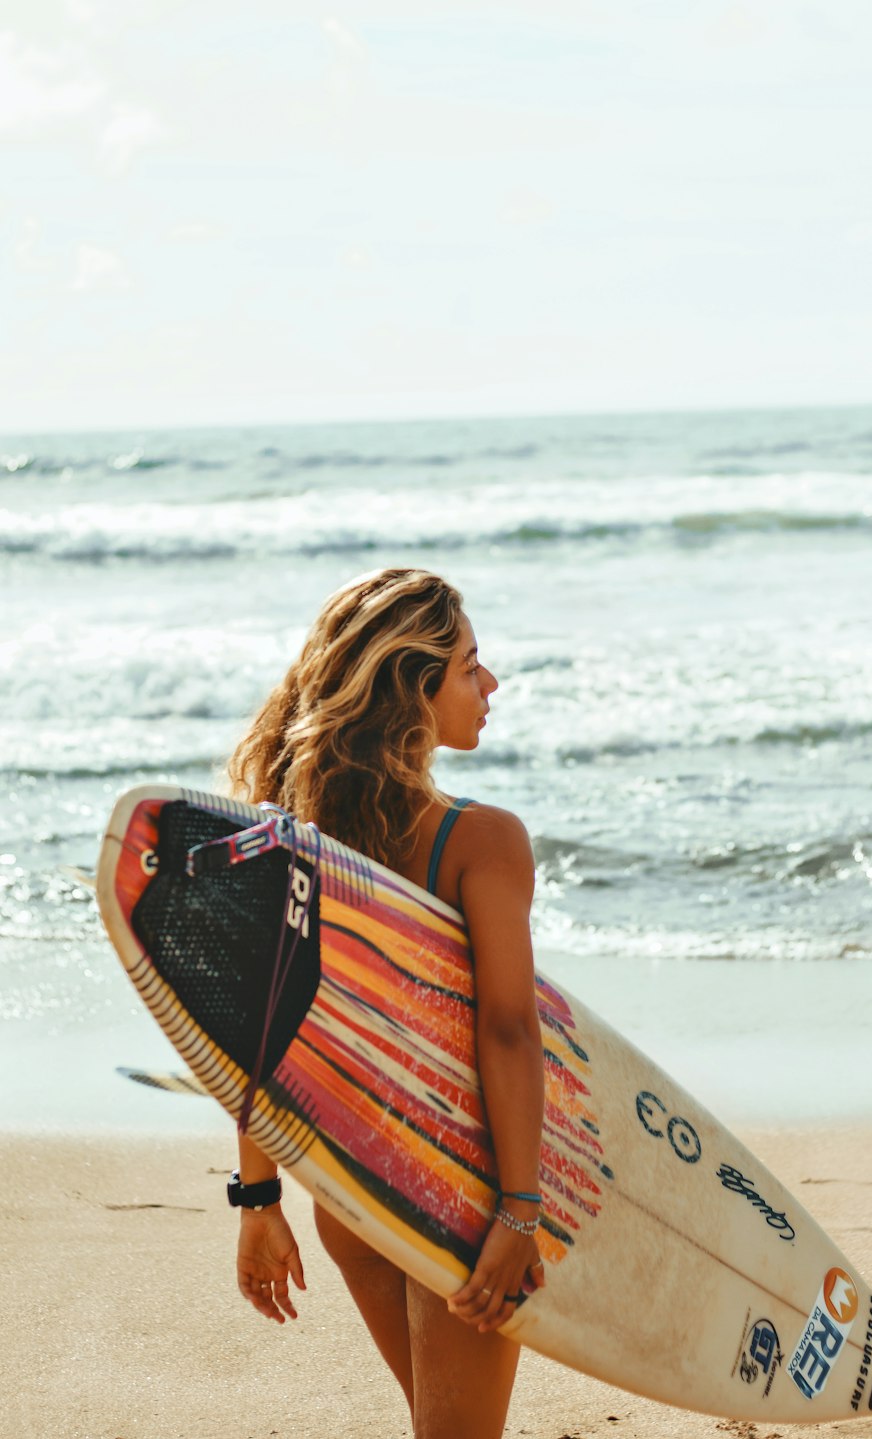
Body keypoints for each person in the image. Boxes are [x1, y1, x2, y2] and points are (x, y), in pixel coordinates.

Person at [225, 567, 546, 1439]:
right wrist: (520, 1210)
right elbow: (510, 1030)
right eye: (470, 666)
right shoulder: (481, 843)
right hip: (459, 1198)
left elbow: (265, 1028)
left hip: (352, 1193)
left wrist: (259, 1201)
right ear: (414, 689)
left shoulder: (287, 836)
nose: (490, 684)